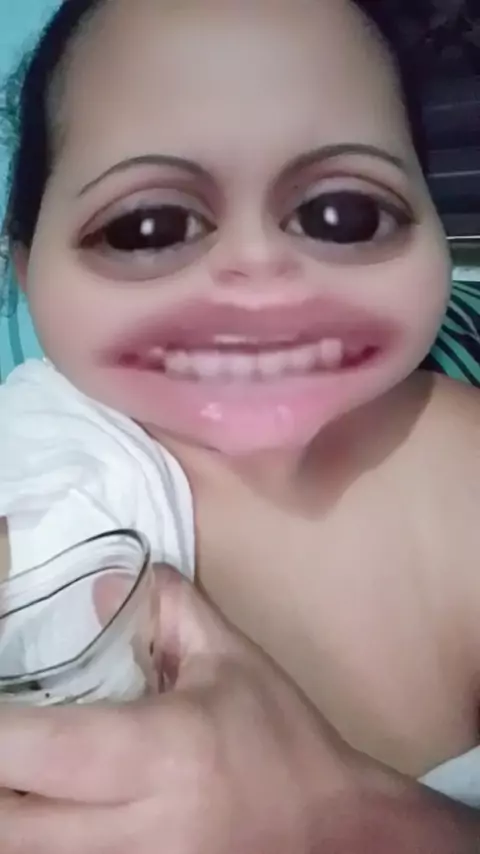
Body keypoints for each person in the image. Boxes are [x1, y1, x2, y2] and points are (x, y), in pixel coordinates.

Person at [0, 0, 479, 849]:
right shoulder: (32, 487)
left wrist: (353, 821)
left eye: (346, 215)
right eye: (149, 227)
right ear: (26, 269)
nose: (259, 268)